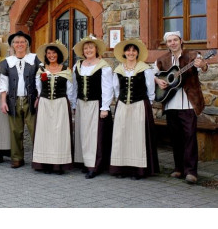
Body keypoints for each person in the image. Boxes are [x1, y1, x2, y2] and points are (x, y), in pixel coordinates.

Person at [154, 31, 208, 184]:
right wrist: (157, 81)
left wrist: (202, 64)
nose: (173, 43)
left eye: (175, 40)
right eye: (169, 41)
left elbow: (204, 67)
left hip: (188, 103)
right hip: (171, 104)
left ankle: (191, 172)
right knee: (175, 138)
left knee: (190, 136)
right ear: (167, 44)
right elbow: (152, 73)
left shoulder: (192, 56)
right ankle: (178, 168)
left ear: (181, 41)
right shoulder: (162, 60)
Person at [110, 39, 159, 179]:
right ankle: (121, 168)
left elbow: (150, 89)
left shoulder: (145, 69)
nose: (131, 53)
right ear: (124, 53)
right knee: (122, 136)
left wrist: (148, 105)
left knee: (137, 137)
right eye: (128, 50)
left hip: (139, 105)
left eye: (133, 50)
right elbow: (116, 89)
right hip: (123, 106)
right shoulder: (118, 70)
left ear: (137, 53)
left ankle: (137, 170)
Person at [71, 35, 114, 179]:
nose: (88, 50)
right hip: (81, 104)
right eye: (86, 48)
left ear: (96, 49)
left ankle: (95, 165)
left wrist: (105, 107)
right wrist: (73, 104)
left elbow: (108, 88)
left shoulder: (104, 66)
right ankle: (85, 162)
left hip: (96, 103)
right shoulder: (77, 66)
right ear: (83, 51)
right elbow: (74, 87)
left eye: (91, 47)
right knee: (83, 133)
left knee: (94, 135)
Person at [0, 31, 40, 168]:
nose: (19, 44)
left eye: (22, 42)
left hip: (31, 99)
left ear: (27, 44)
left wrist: (39, 96)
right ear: (12, 45)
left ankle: (39, 158)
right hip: (13, 100)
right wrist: (3, 101)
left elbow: (40, 79)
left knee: (35, 130)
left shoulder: (35, 59)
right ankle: (17, 158)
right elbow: (3, 83)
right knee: (15, 131)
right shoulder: (7, 62)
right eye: (16, 42)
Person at [32, 40, 73, 175]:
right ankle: (45, 163)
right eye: (49, 53)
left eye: (54, 53)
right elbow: (38, 87)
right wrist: (38, 98)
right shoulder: (42, 70)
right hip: (44, 104)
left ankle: (58, 164)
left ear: (58, 54)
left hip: (60, 103)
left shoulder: (66, 70)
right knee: (45, 133)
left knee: (59, 133)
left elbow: (70, 90)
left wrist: (72, 105)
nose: (51, 55)